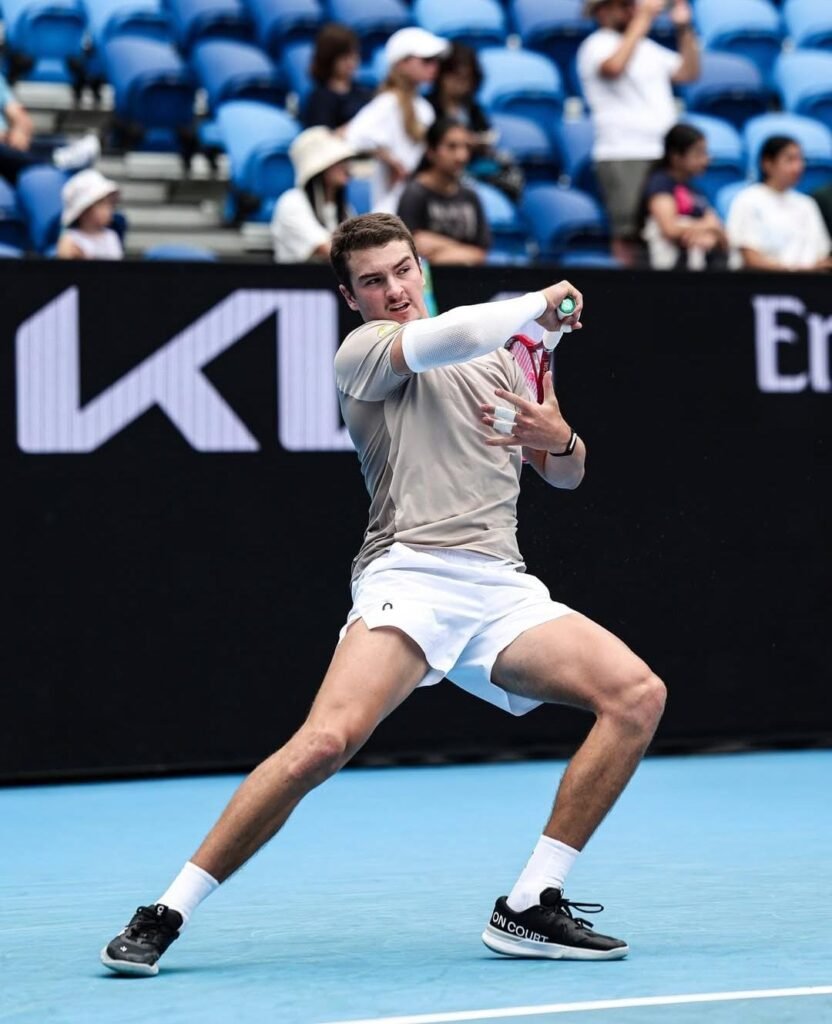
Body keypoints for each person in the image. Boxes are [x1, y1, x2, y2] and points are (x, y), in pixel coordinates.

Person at [101, 211, 667, 977]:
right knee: (324, 744)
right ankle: (166, 911)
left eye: (404, 270)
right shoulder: (366, 353)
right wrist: (539, 304)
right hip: (410, 577)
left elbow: (566, 473)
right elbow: (452, 337)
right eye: (374, 280)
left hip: (500, 588)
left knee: (637, 695)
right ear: (351, 296)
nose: (395, 289)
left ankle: (532, 902)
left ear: (420, 268)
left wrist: (556, 436)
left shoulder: (510, 354)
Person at [577, 0, 700, 266]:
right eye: (624, 5)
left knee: (666, 227)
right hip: (623, 152)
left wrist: (684, 29)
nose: (631, 10)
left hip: (661, 153)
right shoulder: (596, 44)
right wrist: (644, 18)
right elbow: (613, 67)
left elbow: (688, 72)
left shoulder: (647, 47)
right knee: (628, 233)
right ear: (602, 11)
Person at [344, 27, 450, 213]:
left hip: (413, 204)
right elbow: (354, 136)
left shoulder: (424, 109)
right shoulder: (387, 103)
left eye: (436, 61)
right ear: (402, 63)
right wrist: (390, 160)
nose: (434, 67)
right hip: (388, 207)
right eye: (426, 61)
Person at [427, 42, 524, 201]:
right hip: (443, 165)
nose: (460, 84)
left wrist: (477, 142)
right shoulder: (428, 107)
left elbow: (487, 134)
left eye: (467, 78)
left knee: (509, 166)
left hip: (473, 160)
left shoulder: (472, 107)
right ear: (441, 75)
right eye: (455, 76)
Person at [727, 136, 832, 272]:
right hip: (763, 283)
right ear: (767, 164)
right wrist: (795, 270)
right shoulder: (748, 199)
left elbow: (822, 254)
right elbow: (750, 257)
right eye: (790, 160)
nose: (798, 167)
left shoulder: (807, 204)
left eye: (800, 160)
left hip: (808, 284)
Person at [397, 117, 490, 265]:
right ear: (431, 151)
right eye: (451, 147)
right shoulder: (414, 193)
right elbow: (413, 246)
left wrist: (439, 251)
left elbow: (480, 253)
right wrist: (464, 251)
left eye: (466, 147)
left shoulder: (471, 196)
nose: (461, 156)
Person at [641, 123, 730, 270]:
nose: (706, 160)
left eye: (705, 153)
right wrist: (706, 227)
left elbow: (720, 230)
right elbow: (669, 229)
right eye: (698, 154)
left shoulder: (696, 189)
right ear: (676, 157)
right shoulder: (660, 184)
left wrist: (712, 236)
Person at [271, 126, 355, 263]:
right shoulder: (292, 202)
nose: (347, 167)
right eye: (339, 162)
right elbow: (327, 251)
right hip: (298, 282)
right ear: (319, 169)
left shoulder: (344, 208)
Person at [0, 70, 100, 185]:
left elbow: (19, 116)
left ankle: (62, 156)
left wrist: (19, 132)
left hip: (8, 142)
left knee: (57, 142)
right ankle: (55, 161)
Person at [300, 23, 373, 131]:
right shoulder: (319, 99)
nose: (351, 62)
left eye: (354, 55)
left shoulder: (364, 91)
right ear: (329, 59)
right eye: (344, 57)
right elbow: (321, 138)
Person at [56, 169, 123, 260]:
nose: (108, 209)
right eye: (101, 204)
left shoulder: (111, 236)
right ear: (84, 211)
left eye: (109, 204)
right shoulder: (69, 240)